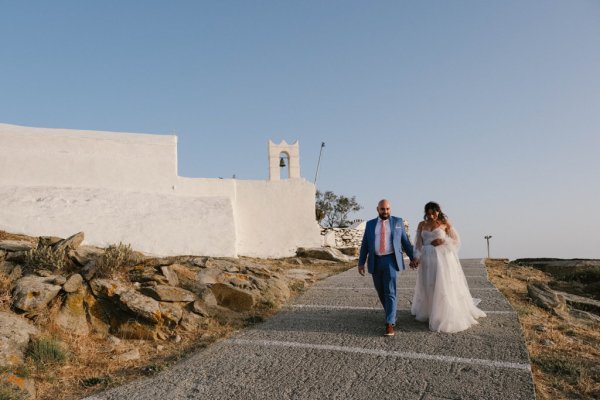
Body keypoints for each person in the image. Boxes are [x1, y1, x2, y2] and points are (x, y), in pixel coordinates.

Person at [411, 201, 486, 333]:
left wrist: (443, 240)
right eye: (428, 213)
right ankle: (430, 312)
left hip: (443, 258)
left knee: (443, 285)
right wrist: (416, 257)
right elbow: (418, 244)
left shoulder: (445, 223)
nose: (431, 216)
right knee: (429, 284)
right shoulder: (421, 224)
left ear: (438, 211)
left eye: (433, 213)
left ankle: (442, 314)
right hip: (427, 258)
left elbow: (457, 241)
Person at [358, 199, 417, 337]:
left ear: (390, 209)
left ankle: (389, 323)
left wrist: (413, 257)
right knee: (380, 291)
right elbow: (365, 244)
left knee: (390, 291)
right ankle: (392, 315)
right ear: (377, 209)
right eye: (383, 209)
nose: (386, 212)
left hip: (391, 260)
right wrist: (361, 262)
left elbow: (405, 242)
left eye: (388, 209)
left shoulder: (397, 222)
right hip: (375, 261)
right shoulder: (370, 224)